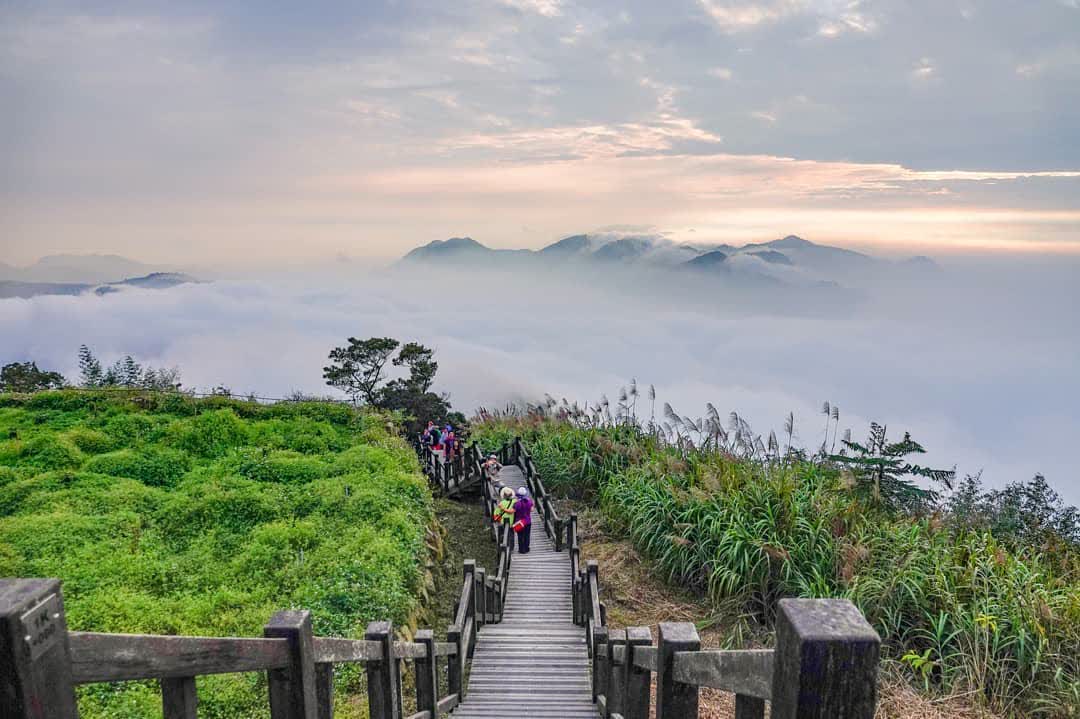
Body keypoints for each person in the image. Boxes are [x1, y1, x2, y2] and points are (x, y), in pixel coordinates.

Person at [493, 485, 517, 550]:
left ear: (503, 495)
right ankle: (511, 547)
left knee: (504, 533)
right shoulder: (515, 502)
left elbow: (496, 513)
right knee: (511, 534)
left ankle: (505, 547)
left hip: (503, 521)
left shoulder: (502, 503)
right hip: (512, 521)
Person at [512, 486, 533, 554]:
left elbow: (513, 511)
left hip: (519, 522)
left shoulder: (516, 503)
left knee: (520, 536)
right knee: (527, 535)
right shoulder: (529, 501)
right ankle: (526, 548)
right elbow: (532, 510)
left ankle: (521, 549)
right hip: (527, 521)